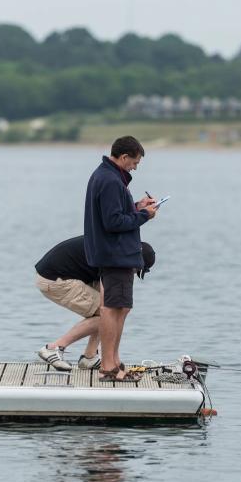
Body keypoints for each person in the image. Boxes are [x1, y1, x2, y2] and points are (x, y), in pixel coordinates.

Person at [84, 136, 157, 382]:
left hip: (113, 253)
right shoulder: (111, 180)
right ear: (124, 157)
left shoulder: (106, 176)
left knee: (119, 307)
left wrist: (136, 206)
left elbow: (114, 213)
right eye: (134, 162)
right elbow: (113, 222)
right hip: (116, 255)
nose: (135, 167)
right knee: (112, 309)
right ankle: (109, 368)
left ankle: (113, 362)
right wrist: (144, 215)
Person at [35, 234, 155, 371]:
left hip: (64, 273)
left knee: (109, 311)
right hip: (55, 279)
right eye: (136, 269)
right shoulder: (113, 258)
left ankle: (89, 357)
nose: (133, 273)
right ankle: (53, 348)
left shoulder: (119, 248)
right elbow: (108, 304)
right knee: (109, 314)